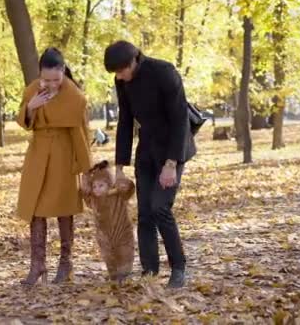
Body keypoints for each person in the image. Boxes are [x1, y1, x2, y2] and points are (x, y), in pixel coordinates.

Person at [104, 40, 196, 288]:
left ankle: (178, 268)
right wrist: (120, 167)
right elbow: (125, 121)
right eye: (116, 74)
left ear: (133, 60)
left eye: (121, 71)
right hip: (146, 149)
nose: (120, 77)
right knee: (144, 213)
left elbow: (179, 119)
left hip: (173, 148)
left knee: (160, 208)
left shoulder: (164, 72)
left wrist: (171, 164)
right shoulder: (122, 81)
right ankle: (150, 271)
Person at [16, 47, 92, 286]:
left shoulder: (75, 97)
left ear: (63, 72)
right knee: (35, 209)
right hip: (38, 156)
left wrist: (85, 169)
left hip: (63, 155)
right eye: (45, 79)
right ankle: (37, 265)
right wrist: (31, 107)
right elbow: (24, 122)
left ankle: (65, 264)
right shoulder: (32, 90)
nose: (50, 84)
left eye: (55, 79)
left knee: (63, 209)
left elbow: (81, 135)